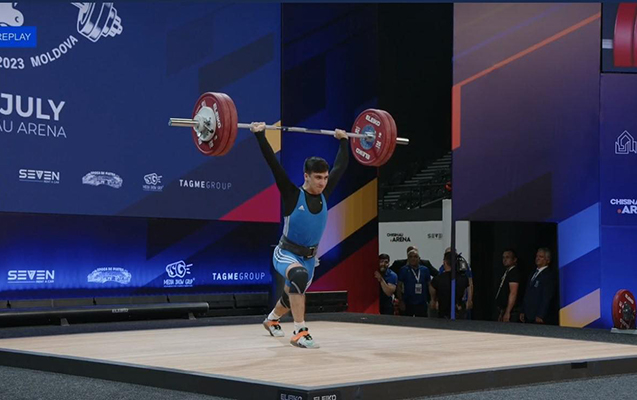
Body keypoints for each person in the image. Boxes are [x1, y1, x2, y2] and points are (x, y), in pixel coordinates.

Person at [253, 122, 349, 349]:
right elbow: (273, 164)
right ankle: (300, 331)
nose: (323, 182)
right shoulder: (292, 194)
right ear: (306, 176)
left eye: (325, 178)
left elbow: (341, 165)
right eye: (318, 178)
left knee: (290, 296)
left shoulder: (325, 193)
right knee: (298, 276)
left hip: (310, 259)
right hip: (286, 253)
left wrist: (344, 141)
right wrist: (260, 135)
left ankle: (271, 320)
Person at [521, 248, 557, 324]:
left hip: (537, 316)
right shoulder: (533, 273)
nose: (537, 258)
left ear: (547, 260)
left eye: (541, 257)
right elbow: (527, 293)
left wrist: (541, 315)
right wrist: (523, 310)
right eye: (537, 256)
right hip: (528, 315)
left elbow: (547, 296)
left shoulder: (548, 275)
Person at [430, 251, 470, 319]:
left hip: (443, 312)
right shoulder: (464, 278)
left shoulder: (437, 279)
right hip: (458, 310)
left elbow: (432, 289)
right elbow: (467, 288)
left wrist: (433, 299)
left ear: (444, 262)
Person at [396, 248, 431, 317]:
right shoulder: (403, 270)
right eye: (410, 257)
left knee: (422, 321)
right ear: (408, 259)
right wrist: (401, 301)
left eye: (415, 257)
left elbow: (429, 285)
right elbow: (399, 286)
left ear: (419, 259)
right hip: (408, 303)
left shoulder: (425, 270)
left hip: (422, 303)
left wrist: (432, 299)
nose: (413, 259)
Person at [495, 249, 521, 322]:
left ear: (514, 259)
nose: (505, 260)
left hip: (512, 311)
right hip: (503, 309)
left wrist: (508, 311)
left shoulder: (514, 273)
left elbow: (513, 292)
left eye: (507, 257)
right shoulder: (507, 272)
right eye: (503, 257)